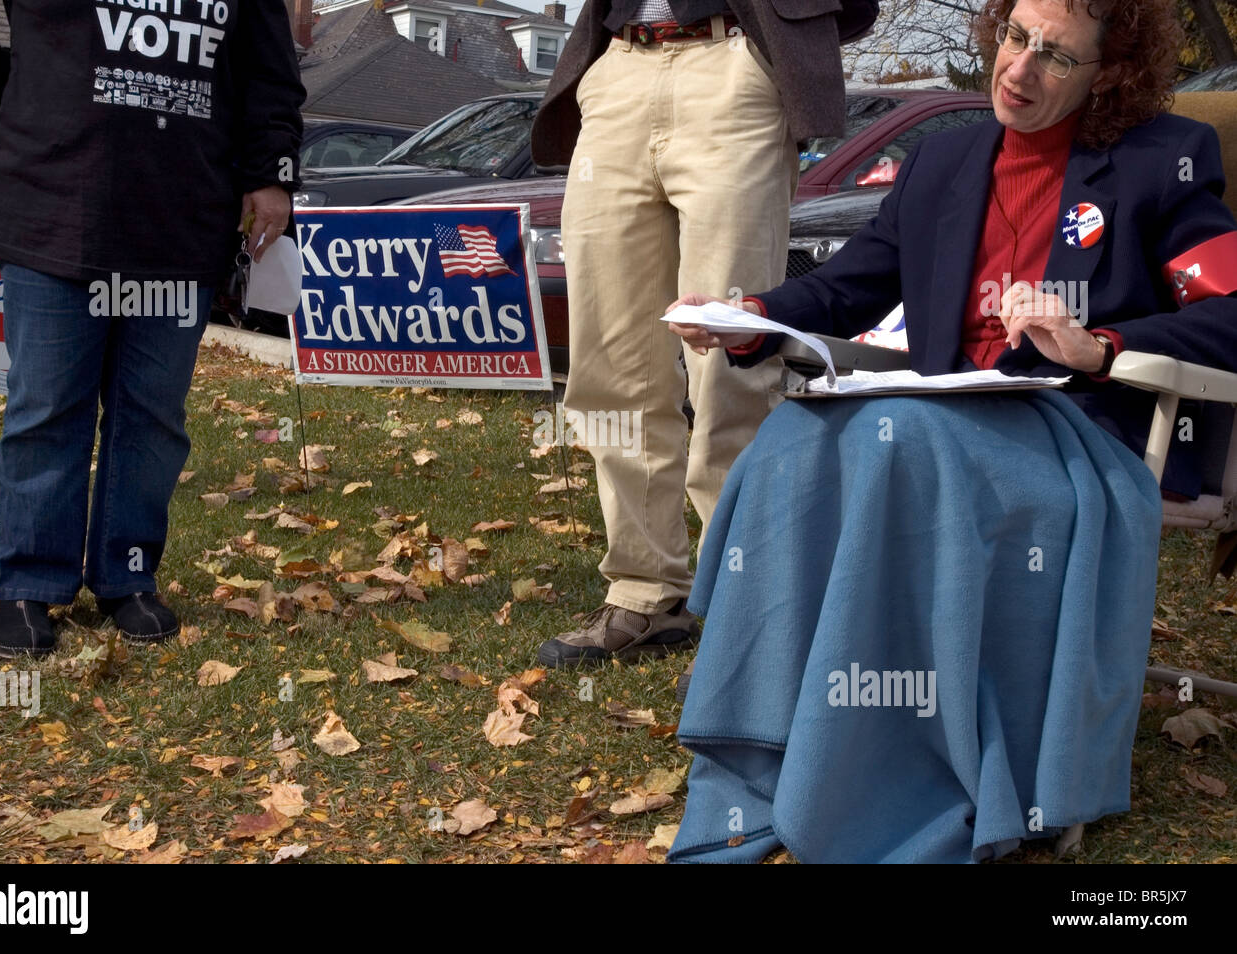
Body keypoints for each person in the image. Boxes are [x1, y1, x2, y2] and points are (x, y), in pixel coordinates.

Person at [664, 0, 1237, 862]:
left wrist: (1099, 343)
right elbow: (848, 288)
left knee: (900, 437)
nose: (1019, 70)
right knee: (793, 443)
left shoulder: (1168, 162)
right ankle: (779, 738)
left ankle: (887, 771)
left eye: (1055, 57)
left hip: (1071, 428)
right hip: (938, 415)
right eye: (1015, 38)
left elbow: (1229, 308)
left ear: (1108, 72)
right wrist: (751, 316)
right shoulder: (943, 160)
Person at [0, 0, 304, 657]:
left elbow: (270, 72)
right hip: (49, 203)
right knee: (47, 408)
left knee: (152, 414)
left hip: (182, 216)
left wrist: (271, 173)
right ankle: (28, 586)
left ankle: (128, 577)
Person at [527, 0, 878, 671]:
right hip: (619, 66)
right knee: (608, 364)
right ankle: (644, 590)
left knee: (735, 358)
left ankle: (746, 605)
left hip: (734, 66)